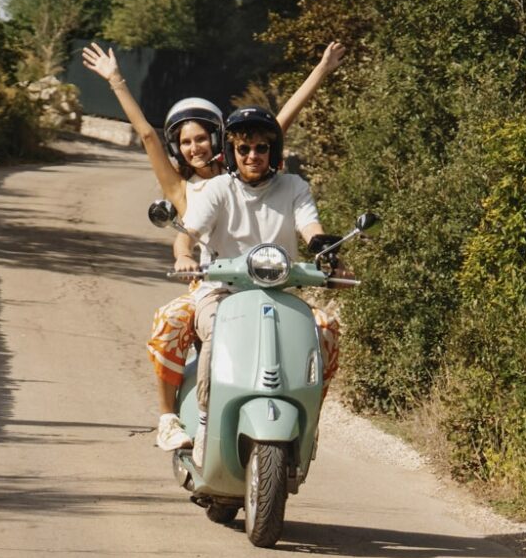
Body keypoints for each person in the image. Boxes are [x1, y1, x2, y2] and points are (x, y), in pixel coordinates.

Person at [81, 41, 345, 450]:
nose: (195, 148)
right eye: (186, 143)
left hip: (271, 280)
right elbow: (149, 137)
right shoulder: (190, 187)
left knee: (324, 330)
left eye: (202, 138)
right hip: (213, 282)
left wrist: (322, 69)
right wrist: (116, 81)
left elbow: (279, 122)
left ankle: (308, 422)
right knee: (169, 321)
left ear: (220, 138)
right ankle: (171, 417)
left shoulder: (250, 165)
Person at [176, 106, 343, 467]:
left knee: (325, 333)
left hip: (280, 293)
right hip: (222, 291)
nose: (253, 156)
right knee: (216, 331)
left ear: (274, 151)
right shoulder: (219, 188)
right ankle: (205, 421)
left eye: (262, 148)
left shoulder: (294, 187)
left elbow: (310, 226)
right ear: (231, 152)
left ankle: (309, 423)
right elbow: (188, 232)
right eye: (244, 149)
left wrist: (323, 249)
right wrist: (182, 255)